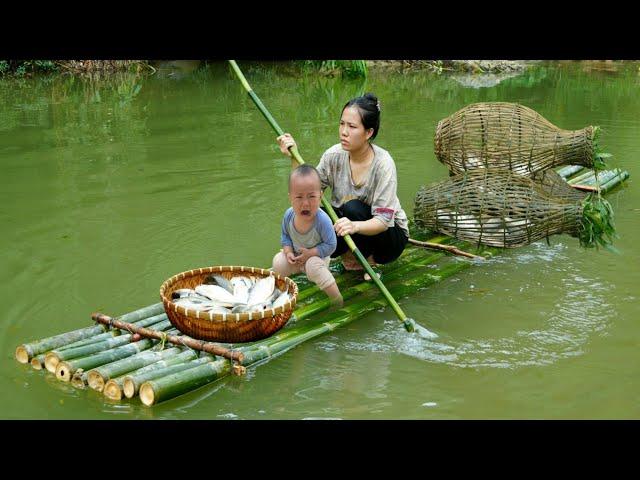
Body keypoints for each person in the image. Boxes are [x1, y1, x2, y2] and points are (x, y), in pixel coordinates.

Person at [276, 93, 409, 280]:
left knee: (352, 208)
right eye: (342, 124)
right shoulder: (333, 155)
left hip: (387, 239)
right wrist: (293, 157)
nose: (344, 132)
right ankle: (311, 257)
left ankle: (368, 260)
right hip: (348, 228)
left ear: (368, 132)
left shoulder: (383, 164)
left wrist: (353, 226)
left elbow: (383, 221)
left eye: (352, 126)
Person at [272, 164, 343, 307]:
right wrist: (288, 252)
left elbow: (331, 245)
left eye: (311, 197)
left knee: (313, 266)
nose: (305, 203)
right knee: (278, 261)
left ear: (320, 196)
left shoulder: (322, 221)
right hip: (297, 259)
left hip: (317, 260)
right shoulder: (289, 215)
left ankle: (337, 298)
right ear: (290, 198)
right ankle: (281, 293)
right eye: (299, 197)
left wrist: (310, 253)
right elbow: (285, 237)